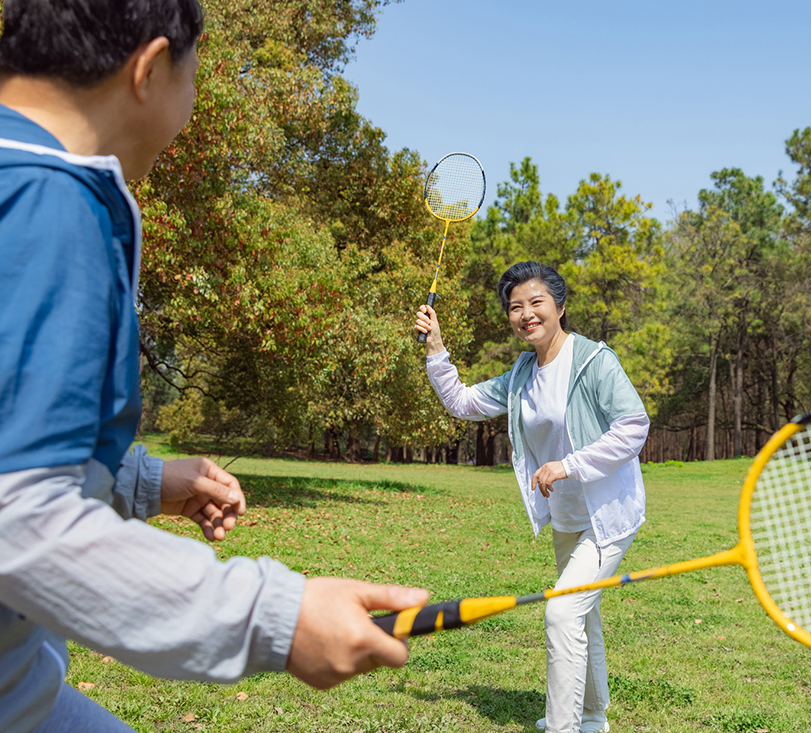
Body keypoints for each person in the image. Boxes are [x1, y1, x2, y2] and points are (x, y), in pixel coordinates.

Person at [0, 1, 428, 731]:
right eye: (196, 74)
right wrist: (278, 616)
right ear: (150, 68)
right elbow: (20, 517)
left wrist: (136, 479)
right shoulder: (47, 202)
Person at [415, 261, 649, 733]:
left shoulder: (594, 361)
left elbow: (634, 426)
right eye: (516, 306)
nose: (526, 314)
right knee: (584, 614)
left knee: (562, 611)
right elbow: (462, 401)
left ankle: (565, 728)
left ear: (560, 307)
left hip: (606, 515)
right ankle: (592, 716)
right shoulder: (522, 373)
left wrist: (569, 464)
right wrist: (436, 347)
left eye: (536, 302)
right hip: (566, 516)